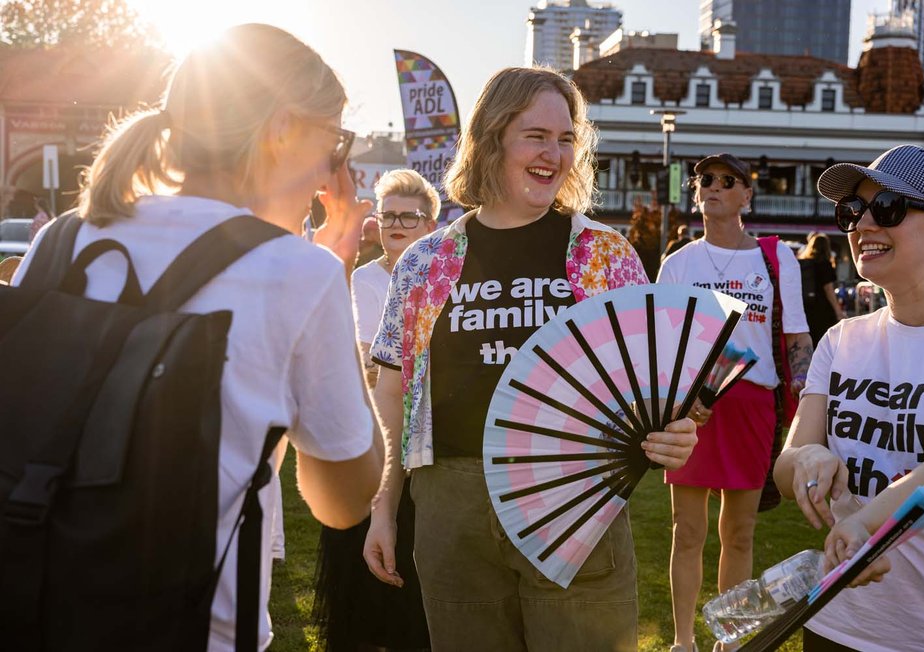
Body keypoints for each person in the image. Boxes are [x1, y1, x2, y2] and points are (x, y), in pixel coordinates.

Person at [11, 24, 383, 651]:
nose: (335, 170)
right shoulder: (301, 273)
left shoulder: (64, 240)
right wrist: (335, 268)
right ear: (283, 128)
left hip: (35, 605)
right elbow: (341, 501)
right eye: (336, 140)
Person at [363, 66, 698, 652]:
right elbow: (392, 394)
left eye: (567, 138)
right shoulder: (423, 262)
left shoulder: (605, 255)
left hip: (574, 495)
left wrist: (680, 427)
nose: (555, 154)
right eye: (536, 135)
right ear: (491, 137)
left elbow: (661, 386)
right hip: (452, 504)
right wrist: (384, 506)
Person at [774, 145, 924, 652]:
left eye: (886, 206)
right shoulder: (842, 340)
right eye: (852, 211)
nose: (863, 224)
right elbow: (785, 467)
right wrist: (808, 458)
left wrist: (865, 522)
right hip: (835, 620)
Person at [657, 153, 812, 652]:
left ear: (748, 195)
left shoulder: (775, 256)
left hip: (751, 402)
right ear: (695, 191)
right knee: (687, 529)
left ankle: (732, 639)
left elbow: (796, 338)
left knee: (740, 531)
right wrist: (679, 404)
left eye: (729, 181)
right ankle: (684, 641)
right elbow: (662, 344)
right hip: (691, 408)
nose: (714, 187)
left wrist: (806, 405)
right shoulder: (678, 263)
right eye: (706, 180)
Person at [314, 168, 438, 652]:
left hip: (428, 438)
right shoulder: (361, 278)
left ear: (431, 224)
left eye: (410, 216)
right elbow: (359, 357)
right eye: (388, 216)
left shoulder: (443, 277)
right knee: (359, 561)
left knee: (413, 556)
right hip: (366, 430)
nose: (397, 225)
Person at [797, 232, 845, 345]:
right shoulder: (825, 264)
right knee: (824, 339)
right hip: (822, 308)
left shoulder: (803, 263)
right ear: (826, 247)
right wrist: (838, 311)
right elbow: (828, 289)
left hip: (806, 306)